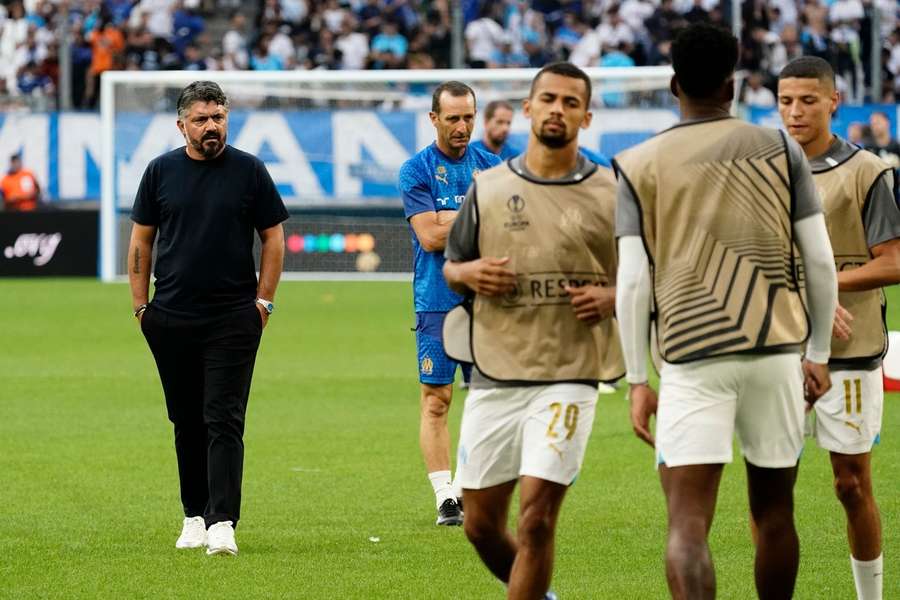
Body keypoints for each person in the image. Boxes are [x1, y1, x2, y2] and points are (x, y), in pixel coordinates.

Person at [613, 24, 838, 599]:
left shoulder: (638, 163)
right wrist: (818, 353)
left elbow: (634, 282)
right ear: (733, 85)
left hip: (691, 354)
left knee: (688, 522)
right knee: (774, 512)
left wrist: (637, 378)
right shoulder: (780, 148)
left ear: (672, 84)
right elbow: (818, 259)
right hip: (776, 350)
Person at [443, 62, 624, 600]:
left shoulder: (612, 191)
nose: (557, 109)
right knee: (478, 525)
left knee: (538, 519)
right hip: (498, 369)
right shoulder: (490, 186)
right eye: (548, 99)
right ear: (528, 108)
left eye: (570, 102)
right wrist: (468, 273)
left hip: (571, 371)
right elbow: (453, 264)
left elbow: (652, 274)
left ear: (586, 117)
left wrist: (614, 296)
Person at [127, 81, 288, 556]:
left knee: (223, 417)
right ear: (182, 126)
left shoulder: (249, 171)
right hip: (170, 317)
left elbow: (273, 240)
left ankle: (223, 521)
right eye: (201, 119)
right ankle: (193, 515)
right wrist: (141, 307)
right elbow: (141, 242)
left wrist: (263, 303)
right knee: (185, 419)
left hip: (233, 318)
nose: (211, 125)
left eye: (218, 116)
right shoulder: (160, 172)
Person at [778, 56, 900, 600]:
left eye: (807, 100)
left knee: (851, 485)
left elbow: (893, 261)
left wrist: (832, 290)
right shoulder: (761, 171)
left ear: (833, 102)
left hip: (852, 349)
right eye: (785, 101)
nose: (795, 111)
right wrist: (805, 296)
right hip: (774, 349)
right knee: (772, 489)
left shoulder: (867, 171)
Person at [398, 81, 501, 526]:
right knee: (436, 399)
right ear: (433, 118)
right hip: (436, 301)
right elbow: (430, 236)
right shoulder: (416, 169)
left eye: (468, 117)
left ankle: (465, 488)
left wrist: (448, 218)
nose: (462, 127)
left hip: (487, 303)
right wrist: (475, 215)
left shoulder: (493, 166)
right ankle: (445, 495)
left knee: (487, 399)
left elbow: (506, 230)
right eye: (453, 118)